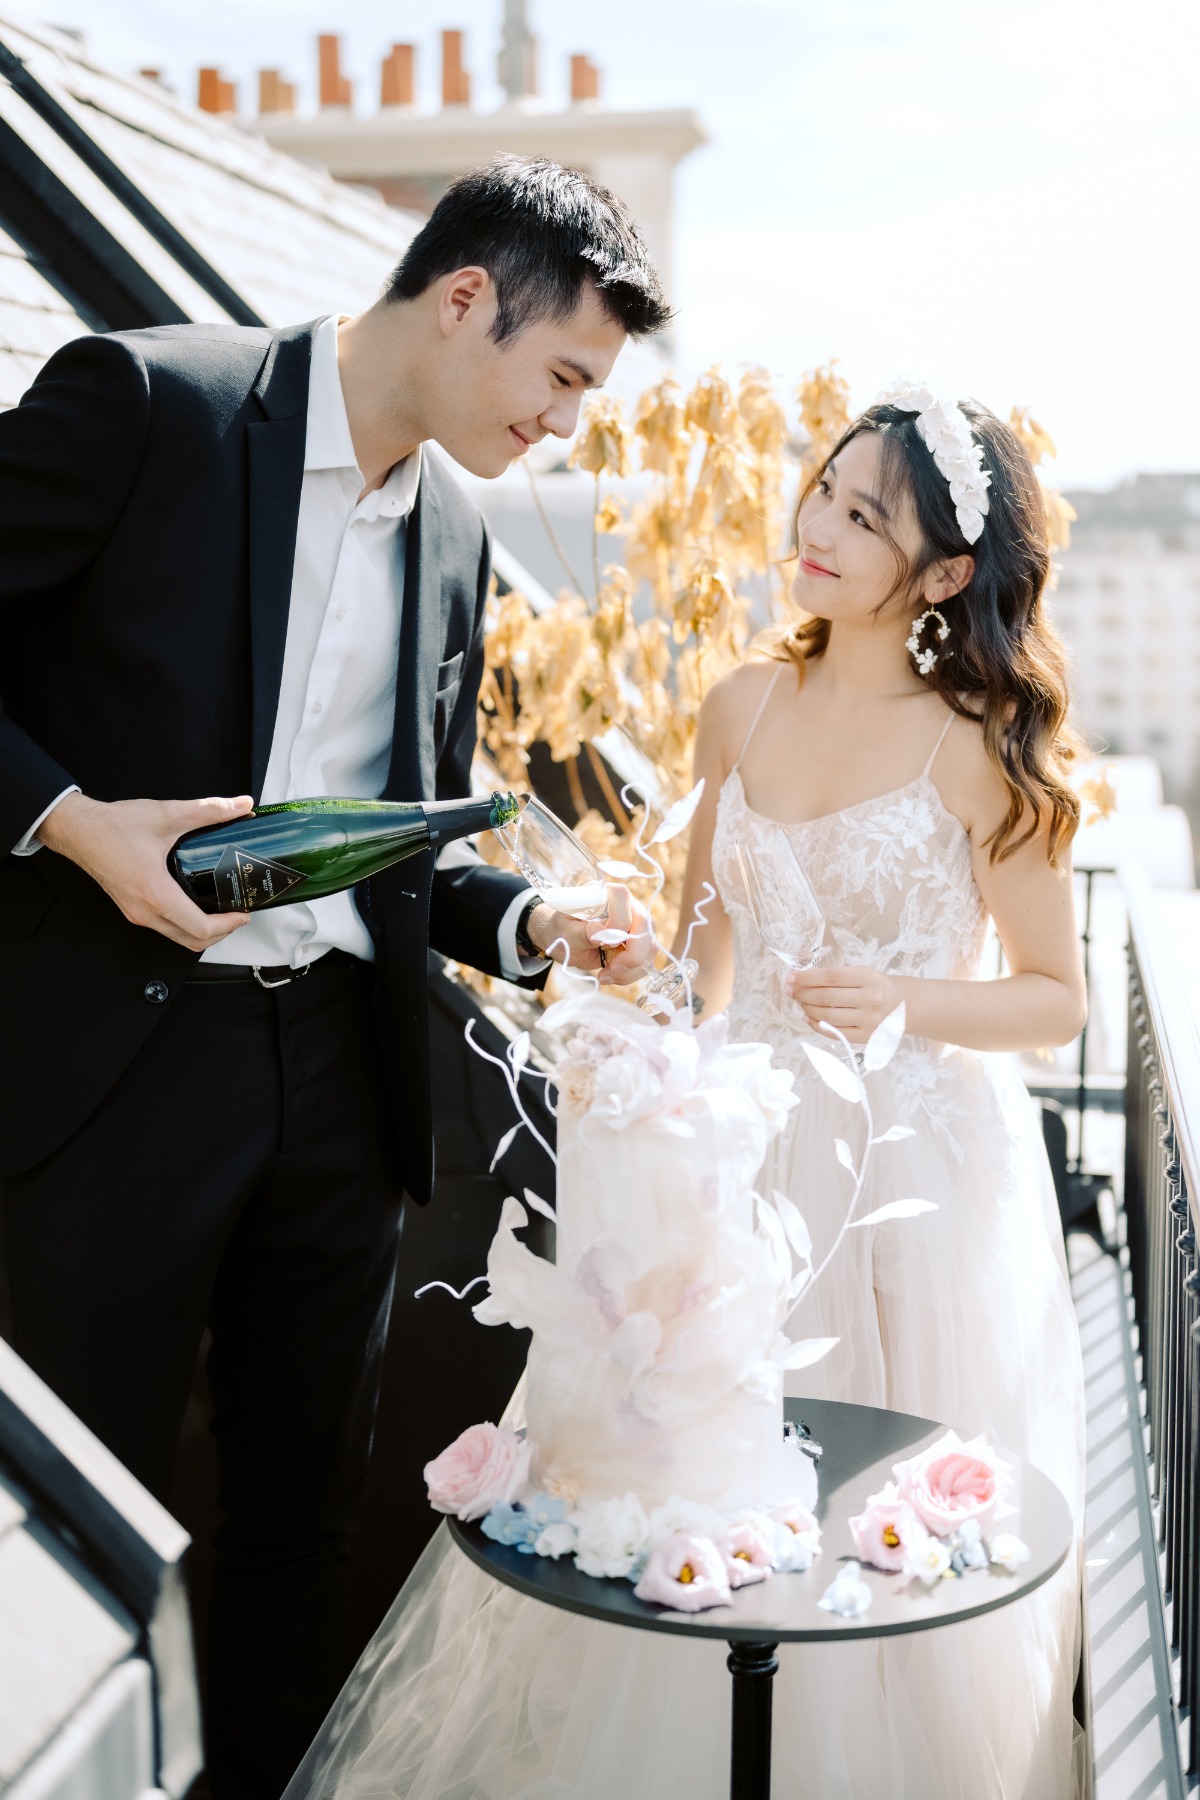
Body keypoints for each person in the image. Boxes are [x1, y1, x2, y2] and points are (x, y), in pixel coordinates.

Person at [282, 384, 1087, 1799]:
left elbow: (1054, 997)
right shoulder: (738, 705)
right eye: (821, 491)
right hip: (743, 1178)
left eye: (862, 515)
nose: (814, 526)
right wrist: (632, 999)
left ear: (949, 575)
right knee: (694, 1508)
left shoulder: (982, 746)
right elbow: (708, 968)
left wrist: (911, 1000)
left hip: (916, 1190)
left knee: (873, 1543)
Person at [0, 156, 662, 1800]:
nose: (570, 422)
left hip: (338, 1100)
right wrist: (79, 828)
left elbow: (393, 841)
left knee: (304, 1524)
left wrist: (528, 926)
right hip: (112, 1080)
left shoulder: (454, 526)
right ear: (460, 302)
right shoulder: (145, 403)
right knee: (86, 1527)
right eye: (564, 375)